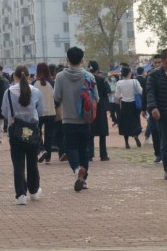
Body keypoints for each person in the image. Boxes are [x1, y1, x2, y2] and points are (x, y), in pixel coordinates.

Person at [54, 47, 94, 191]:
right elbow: (96, 97)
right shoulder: (89, 76)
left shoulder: (60, 76)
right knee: (84, 149)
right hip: (85, 119)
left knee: (71, 148)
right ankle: (84, 180)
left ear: (67, 60)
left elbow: (57, 97)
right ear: (82, 60)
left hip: (68, 119)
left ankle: (77, 170)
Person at [3, 64, 43, 205]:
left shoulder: (8, 92)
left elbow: (4, 112)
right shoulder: (36, 92)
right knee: (32, 163)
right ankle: (34, 190)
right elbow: (40, 111)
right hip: (32, 131)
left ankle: (20, 195)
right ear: (29, 76)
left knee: (18, 165)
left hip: (15, 132)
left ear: (15, 77)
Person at [143, 52, 167, 178]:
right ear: (163, 61)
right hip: (163, 112)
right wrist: (153, 107)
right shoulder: (154, 75)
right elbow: (150, 93)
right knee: (165, 142)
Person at [112, 65, 144, 149]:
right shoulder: (134, 81)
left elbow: (117, 95)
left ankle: (126, 143)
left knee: (125, 123)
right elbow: (141, 91)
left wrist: (121, 96)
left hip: (124, 104)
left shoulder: (119, 83)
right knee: (135, 121)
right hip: (134, 104)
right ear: (130, 73)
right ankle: (135, 134)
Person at [35, 64, 61, 163]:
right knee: (49, 135)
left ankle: (41, 150)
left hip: (38, 113)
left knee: (37, 132)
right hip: (51, 112)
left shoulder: (34, 83)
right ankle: (48, 157)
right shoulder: (53, 83)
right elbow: (57, 99)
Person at [87, 61, 113, 161]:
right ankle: (103, 154)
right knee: (102, 133)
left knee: (90, 132)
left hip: (89, 106)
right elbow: (107, 91)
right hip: (100, 107)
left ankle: (90, 154)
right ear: (97, 69)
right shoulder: (101, 80)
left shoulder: (86, 79)